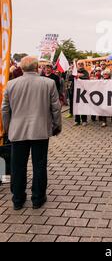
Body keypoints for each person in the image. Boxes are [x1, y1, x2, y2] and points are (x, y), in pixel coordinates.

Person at [1, 56, 62, 211]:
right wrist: (57, 126)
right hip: (40, 131)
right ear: (37, 68)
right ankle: (38, 198)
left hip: (17, 131)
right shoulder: (48, 83)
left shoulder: (11, 84)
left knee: (17, 166)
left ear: (21, 68)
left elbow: (5, 110)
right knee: (39, 165)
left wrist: (8, 128)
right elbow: (56, 108)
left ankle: (18, 199)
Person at [74, 62, 90, 127]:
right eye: (79, 64)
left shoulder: (85, 72)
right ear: (77, 65)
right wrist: (76, 76)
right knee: (76, 106)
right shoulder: (74, 71)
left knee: (83, 106)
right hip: (75, 91)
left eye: (81, 64)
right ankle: (77, 121)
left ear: (83, 65)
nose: (80, 65)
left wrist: (79, 77)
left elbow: (86, 78)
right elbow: (70, 78)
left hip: (83, 92)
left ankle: (84, 120)